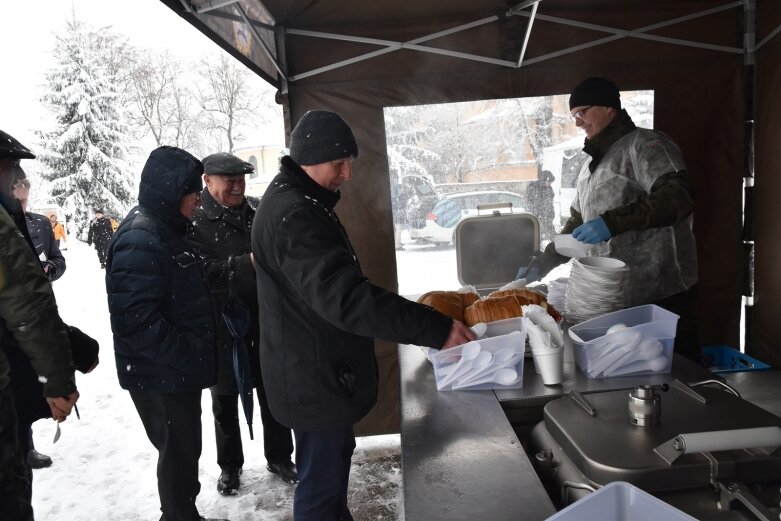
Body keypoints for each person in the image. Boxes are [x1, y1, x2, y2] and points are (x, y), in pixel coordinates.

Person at [251, 110, 475, 521]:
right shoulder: (294, 214)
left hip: (313, 372)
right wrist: (434, 327)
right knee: (320, 490)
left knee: (330, 481)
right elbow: (347, 299)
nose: (348, 174)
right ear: (310, 159)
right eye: (339, 163)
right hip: (312, 380)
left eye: (349, 162)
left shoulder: (300, 201)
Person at [522, 77, 699, 361]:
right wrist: (544, 262)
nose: (578, 122)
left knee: (673, 374)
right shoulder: (589, 168)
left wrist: (611, 222)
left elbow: (678, 196)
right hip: (613, 297)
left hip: (661, 292)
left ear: (608, 107)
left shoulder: (646, 144)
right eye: (573, 116)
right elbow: (577, 225)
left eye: (582, 112)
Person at [106, 146, 228, 521]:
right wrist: (188, 354)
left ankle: (183, 512)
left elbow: (181, 286)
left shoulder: (165, 229)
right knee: (177, 455)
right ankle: (178, 516)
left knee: (184, 451)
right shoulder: (141, 237)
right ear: (172, 193)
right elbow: (134, 321)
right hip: (160, 375)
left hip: (173, 372)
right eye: (193, 195)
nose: (197, 202)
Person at [188, 152, 297, 495]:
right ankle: (230, 466)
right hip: (221, 323)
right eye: (228, 180)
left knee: (271, 389)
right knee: (224, 399)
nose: (237, 187)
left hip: (265, 316)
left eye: (241, 180)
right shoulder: (194, 219)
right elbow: (199, 272)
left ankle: (280, 456)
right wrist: (245, 263)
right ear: (207, 180)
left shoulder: (256, 210)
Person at [0, 129, 80, 520]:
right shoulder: (4, 227)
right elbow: (26, 306)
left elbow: (48, 268)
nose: (16, 182)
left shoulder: (35, 222)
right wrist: (59, 378)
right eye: (10, 170)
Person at [11, 177, 68, 470]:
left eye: (23, 201)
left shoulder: (40, 224)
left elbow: (58, 259)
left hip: (37, 312)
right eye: (15, 200)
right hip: (10, 319)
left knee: (27, 378)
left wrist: (51, 268)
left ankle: (26, 444)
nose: (20, 206)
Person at [13, 178, 67, 283]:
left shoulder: (42, 224)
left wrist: (49, 270)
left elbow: (59, 261)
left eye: (22, 201)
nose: (17, 206)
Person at [526, 170, 556, 241]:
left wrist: (551, 214)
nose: (550, 184)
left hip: (547, 218)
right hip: (538, 218)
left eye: (551, 182)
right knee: (537, 237)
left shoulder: (549, 189)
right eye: (549, 181)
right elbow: (532, 203)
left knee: (551, 236)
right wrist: (538, 215)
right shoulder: (534, 188)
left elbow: (549, 203)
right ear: (543, 180)